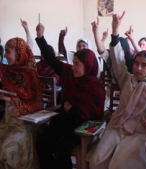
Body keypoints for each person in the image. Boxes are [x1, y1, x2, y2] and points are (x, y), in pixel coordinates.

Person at [86, 11, 146, 169]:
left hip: (140, 132)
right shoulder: (127, 78)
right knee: (98, 160)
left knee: (124, 162)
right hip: (117, 125)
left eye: (144, 65)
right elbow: (117, 58)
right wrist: (115, 31)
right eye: (136, 63)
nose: (139, 68)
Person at [35, 23, 105, 169]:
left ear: (88, 65)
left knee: (61, 148)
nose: (73, 67)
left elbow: (94, 116)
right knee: (41, 141)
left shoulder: (95, 86)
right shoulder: (69, 74)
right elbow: (51, 59)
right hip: (65, 121)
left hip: (81, 128)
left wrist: (72, 110)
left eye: (77, 64)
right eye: (73, 63)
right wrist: (40, 37)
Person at [0, 37, 43, 169]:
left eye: (8, 52)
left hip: (24, 126)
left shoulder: (29, 75)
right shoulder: (10, 71)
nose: (5, 56)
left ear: (19, 53)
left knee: (5, 149)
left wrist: (6, 98)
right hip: (8, 122)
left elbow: (33, 105)